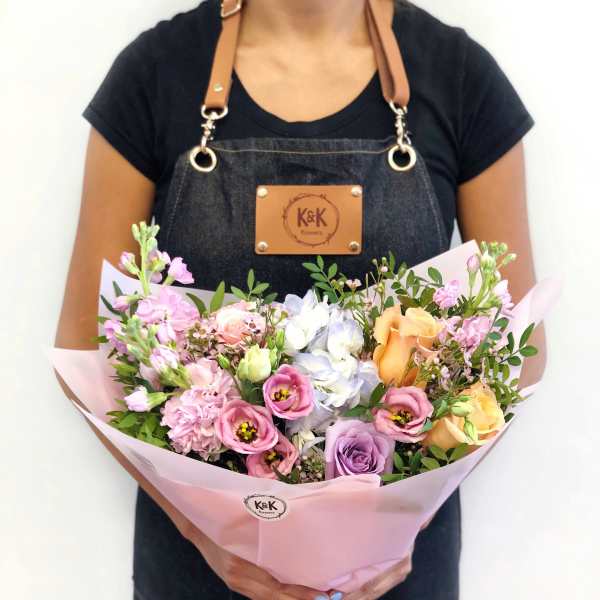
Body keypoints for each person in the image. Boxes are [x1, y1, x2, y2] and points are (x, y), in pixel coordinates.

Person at [54, 1, 546, 598]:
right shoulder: (155, 73)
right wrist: (201, 531)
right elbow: (87, 345)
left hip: (396, 573)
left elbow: (517, 345)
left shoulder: (459, 76)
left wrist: (402, 524)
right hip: (201, 572)